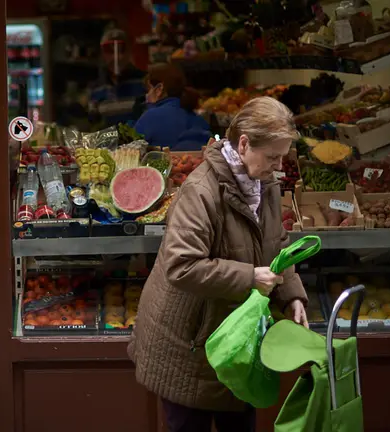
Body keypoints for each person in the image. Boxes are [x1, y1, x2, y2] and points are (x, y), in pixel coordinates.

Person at [128, 97, 308, 432]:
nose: (278, 165)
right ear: (243, 144)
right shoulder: (201, 191)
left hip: (235, 340)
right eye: (272, 156)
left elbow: (277, 244)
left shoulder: (265, 184)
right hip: (190, 346)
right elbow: (182, 266)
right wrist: (249, 277)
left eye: (282, 156)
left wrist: (292, 295)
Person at [134, 63, 211, 150]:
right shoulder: (198, 118)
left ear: (159, 89)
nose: (147, 96)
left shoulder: (149, 117)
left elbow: (131, 152)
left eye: (148, 90)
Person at [88, 28, 147, 127]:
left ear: (129, 53)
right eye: (109, 51)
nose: (116, 57)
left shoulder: (144, 81)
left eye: (122, 50)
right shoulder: (96, 88)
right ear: (102, 54)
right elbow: (93, 125)